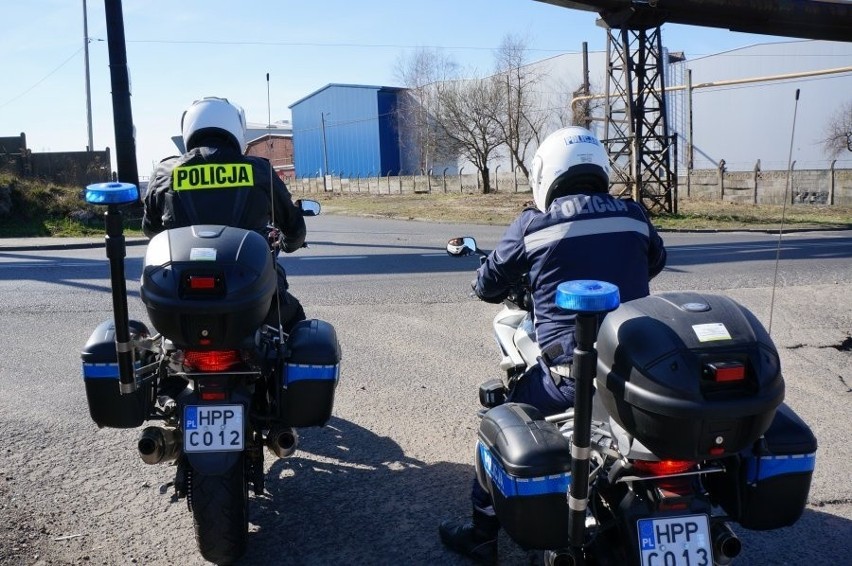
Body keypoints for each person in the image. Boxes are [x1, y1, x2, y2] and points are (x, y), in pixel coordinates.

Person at [438, 126, 667, 564]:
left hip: (569, 378)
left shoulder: (533, 224)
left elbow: (487, 284)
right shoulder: (634, 215)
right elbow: (656, 261)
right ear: (599, 168)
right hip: (640, 371)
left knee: (497, 422)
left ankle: (482, 535)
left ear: (546, 173)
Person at [142, 96, 307, 331]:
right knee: (293, 328)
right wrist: (289, 243)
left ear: (188, 128)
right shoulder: (258, 170)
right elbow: (294, 228)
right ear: (235, 128)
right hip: (250, 294)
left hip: (178, 296)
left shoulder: (165, 172)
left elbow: (151, 230)